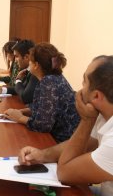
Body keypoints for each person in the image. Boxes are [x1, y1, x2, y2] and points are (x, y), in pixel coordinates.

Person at [18, 55, 113, 195]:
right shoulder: (104, 114)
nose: (79, 90)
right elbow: (88, 144)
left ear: (96, 96)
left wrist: (87, 120)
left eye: (84, 82)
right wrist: (41, 155)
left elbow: (64, 173)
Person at [4, 43, 80, 142]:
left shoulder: (48, 82)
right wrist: (21, 112)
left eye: (30, 61)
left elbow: (43, 125)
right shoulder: (53, 77)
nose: (29, 63)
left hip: (60, 141)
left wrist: (19, 118)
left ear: (36, 65)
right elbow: (41, 107)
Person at [0, 39, 38, 104]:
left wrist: (18, 80)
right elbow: (20, 89)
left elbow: (25, 97)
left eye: (16, 56)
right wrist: (3, 90)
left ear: (26, 57)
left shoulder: (35, 73)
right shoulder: (26, 70)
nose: (15, 60)